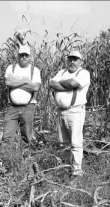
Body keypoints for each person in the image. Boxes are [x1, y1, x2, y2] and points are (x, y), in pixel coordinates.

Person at [49, 50, 90, 179]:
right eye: (70, 59)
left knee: (76, 142)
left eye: (75, 59)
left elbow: (74, 84)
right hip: (61, 112)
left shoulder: (83, 73)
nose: (72, 61)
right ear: (67, 60)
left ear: (80, 61)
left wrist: (61, 84)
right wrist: (67, 86)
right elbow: (51, 83)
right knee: (64, 142)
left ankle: (77, 172)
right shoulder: (61, 72)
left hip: (75, 111)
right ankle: (67, 168)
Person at [0, 44, 41, 161]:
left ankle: (25, 161)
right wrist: (25, 81)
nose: (23, 57)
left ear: (30, 57)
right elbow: (8, 82)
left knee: (26, 136)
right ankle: (2, 162)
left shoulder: (35, 70)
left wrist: (16, 82)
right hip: (11, 107)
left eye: (26, 55)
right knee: (7, 137)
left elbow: (35, 87)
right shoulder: (11, 68)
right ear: (18, 56)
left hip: (28, 108)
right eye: (21, 55)